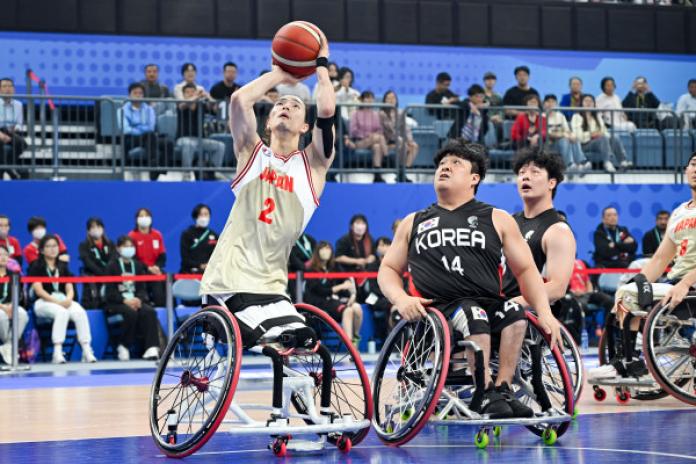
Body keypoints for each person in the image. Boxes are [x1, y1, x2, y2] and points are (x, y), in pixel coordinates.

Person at [379, 141, 561, 419]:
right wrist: (401, 298)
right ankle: (483, 390)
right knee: (472, 314)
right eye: (441, 164)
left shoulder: (496, 218)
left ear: (474, 179)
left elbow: (527, 272)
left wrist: (545, 313)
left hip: (487, 302)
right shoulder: (413, 221)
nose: (445, 168)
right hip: (439, 309)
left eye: (455, 164)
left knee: (514, 312)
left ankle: (502, 388)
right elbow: (388, 269)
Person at [199, 30, 337, 350]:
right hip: (230, 279)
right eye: (279, 105)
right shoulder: (252, 153)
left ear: (306, 127)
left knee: (306, 342)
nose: (286, 105)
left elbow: (327, 111)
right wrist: (279, 73)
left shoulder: (313, 166)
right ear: (268, 122)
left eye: (295, 105)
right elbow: (238, 100)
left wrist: (320, 64)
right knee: (272, 335)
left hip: (273, 284)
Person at [589, 152, 696, 381]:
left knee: (628, 295)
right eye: (694, 164)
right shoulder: (678, 212)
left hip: (689, 287)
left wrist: (686, 283)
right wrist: (637, 282)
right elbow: (659, 259)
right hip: (676, 283)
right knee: (627, 292)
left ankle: (628, 363)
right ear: (686, 170)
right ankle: (623, 358)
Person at [502, 150, 576, 313]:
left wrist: (509, 305)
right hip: (501, 307)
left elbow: (557, 288)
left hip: (530, 314)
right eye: (521, 173)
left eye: (535, 172)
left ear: (551, 183)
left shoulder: (558, 230)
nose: (525, 177)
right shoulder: (510, 222)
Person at [29, 235, 96, 364]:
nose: (52, 249)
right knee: (62, 312)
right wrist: (58, 302)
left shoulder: (63, 266)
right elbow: (39, 291)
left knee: (79, 312)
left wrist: (69, 299)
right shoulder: (36, 266)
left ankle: (86, 350)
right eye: (48, 246)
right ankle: (57, 352)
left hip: (62, 300)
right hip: (43, 302)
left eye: (55, 246)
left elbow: (69, 287)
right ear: (42, 250)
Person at [104, 236, 161, 361]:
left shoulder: (138, 265)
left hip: (135, 300)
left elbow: (142, 288)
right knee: (130, 313)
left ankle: (151, 347)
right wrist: (125, 300)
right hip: (117, 303)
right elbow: (109, 292)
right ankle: (123, 345)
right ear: (118, 249)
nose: (129, 249)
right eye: (125, 246)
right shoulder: (112, 266)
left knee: (149, 311)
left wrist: (139, 299)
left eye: (131, 246)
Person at [303, 242, 363, 346]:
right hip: (318, 303)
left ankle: (355, 338)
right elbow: (319, 290)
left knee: (357, 307)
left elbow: (346, 281)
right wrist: (340, 287)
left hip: (333, 301)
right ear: (317, 252)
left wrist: (351, 295)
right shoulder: (311, 268)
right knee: (348, 310)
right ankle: (350, 346)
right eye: (323, 249)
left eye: (328, 249)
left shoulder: (334, 267)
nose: (326, 251)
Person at [175, 83, 226, 181]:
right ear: (183, 95)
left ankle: (214, 172)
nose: (190, 94)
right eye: (187, 93)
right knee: (188, 144)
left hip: (200, 139)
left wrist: (207, 96)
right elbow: (184, 105)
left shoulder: (201, 105)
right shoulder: (180, 104)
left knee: (220, 146)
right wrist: (196, 96)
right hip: (183, 139)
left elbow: (216, 108)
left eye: (192, 92)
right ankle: (187, 174)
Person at [571, 94, 630, 173]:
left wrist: (603, 135)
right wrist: (592, 135)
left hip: (599, 142)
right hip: (584, 144)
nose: (588, 103)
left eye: (591, 101)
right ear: (581, 103)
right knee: (602, 138)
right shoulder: (576, 117)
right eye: (586, 101)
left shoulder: (598, 116)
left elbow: (604, 131)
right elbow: (578, 136)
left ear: (594, 104)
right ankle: (607, 162)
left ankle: (623, 162)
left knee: (614, 137)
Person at [119, 82, 164, 181]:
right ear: (129, 95)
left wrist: (136, 127)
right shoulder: (123, 109)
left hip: (147, 137)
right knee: (149, 136)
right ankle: (153, 167)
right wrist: (142, 129)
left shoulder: (149, 109)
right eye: (135, 93)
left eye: (140, 93)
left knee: (165, 142)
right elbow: (125, 129)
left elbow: (151, 127)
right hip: (130, 138)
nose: (138, 95)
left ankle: (154, 167)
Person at [347, 91, 389, 182]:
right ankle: (386, 155)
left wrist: (374, 135)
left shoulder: (375, 114)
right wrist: (367, 135)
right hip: (359, 141)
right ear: (362, 100)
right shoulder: (356, 113)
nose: (370, 100)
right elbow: (353, 131)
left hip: (374, 141)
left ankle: (377, 175)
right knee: (379, 138)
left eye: (371, 98)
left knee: (377, 147)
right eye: (367, 98)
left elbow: (380, 129)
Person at [128, 208, 166, 306]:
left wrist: (157, 267)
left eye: (146, 215)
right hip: (140, 270)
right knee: (155, 281)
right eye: (141, 216)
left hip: (156, 270)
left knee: (167, 280)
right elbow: (133, 257)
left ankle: (167, 307)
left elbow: (162, 256)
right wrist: (148, 268)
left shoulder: (157, 235)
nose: (144, 218)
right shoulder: (132, 236)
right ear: (136, 219)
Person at [78, 217, 117, 308]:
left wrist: (107, 274)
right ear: (88, 231)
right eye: (93, 227)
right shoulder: (83, 245)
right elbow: (88, 262)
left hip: (109, 275)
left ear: (103, 229)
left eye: (98, 226)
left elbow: (113, 259)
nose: (96, 229)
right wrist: (101, 275)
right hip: (93, 275)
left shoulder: (110, 243)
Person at [543, 94, 588, 170]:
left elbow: (567, 130)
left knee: (574, 138)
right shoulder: (542, 117)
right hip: (549, 145)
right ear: (544, 104)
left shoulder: (560, 116)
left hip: (561, 143)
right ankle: (569, 165)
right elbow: (548, 134)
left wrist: (571, 135)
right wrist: (563, 135)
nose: (550, 104)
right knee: (564, 140)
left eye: (553, 102)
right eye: (548, 102)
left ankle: (580, 164)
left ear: (556, 104)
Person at [335, 214, 376, 297]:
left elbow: (374, 254)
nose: (360, 226)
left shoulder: (370, 239)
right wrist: (356, 261)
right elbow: (338, 258)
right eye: (357, 223)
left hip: (366, 274)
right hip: (348, 274)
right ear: (351, 226)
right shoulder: (344, 240)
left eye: (363, 223)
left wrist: (371, 258)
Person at [0, 245, 29, 365]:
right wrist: (3, 307)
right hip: (1, 308)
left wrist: (12, 305)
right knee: (1, 316)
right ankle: (10, 345)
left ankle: (7, 346)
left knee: (22, 314)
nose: (3, 257)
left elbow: (19, 295)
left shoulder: (14, 275)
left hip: (11, 305)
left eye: (5, 254)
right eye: (0, 254)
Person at [380, 90, 418, 176]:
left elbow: (406, 128)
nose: (391, 100)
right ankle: (401, 170)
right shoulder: (381, 114)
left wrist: (410, 140)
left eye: (393, 98)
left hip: (398, 140)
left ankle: (404, 171)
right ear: (384, 100)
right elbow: (385, 131)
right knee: (402, 144)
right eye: (388, 98)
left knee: (414, 146)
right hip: (387, 141)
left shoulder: (400, 112)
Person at [0, 77, 29, 179]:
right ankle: (10, 171)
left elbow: (19, 124)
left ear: (14, 89)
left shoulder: (18, 105)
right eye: (4, 86)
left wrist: (15, 128)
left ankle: (6, 169)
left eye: (10, 86)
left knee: (23, 143)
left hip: (11, 132)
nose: (7, 89)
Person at [179, 203, 218, 274]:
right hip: (189, 272)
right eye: (201, 214)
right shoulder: (187, 234)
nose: (204, 217)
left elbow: (218, 255)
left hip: (209, 272)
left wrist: (209, 266)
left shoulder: (214, 235)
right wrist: (200, 265)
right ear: (195, 216)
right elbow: (185, 258)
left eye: (206, 214)